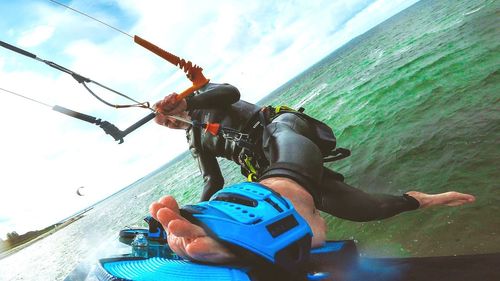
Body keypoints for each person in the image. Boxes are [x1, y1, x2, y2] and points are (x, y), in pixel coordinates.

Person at [150, 82, 475, 264]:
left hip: (278, 128)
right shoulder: (193, 138)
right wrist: (195, 214)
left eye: (170, 111)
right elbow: (213, 180)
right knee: (366, 209)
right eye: (165, 118)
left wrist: (188, 101)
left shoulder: (206, 97)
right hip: (268, 170)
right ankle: (419, 200)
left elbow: (231, 93)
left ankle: (288, 194)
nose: (169, 119)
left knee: (283, 142)